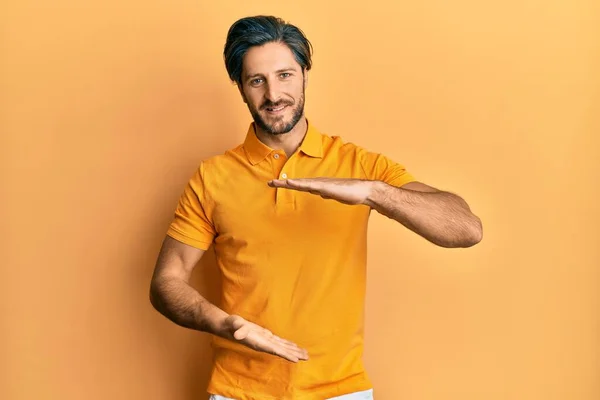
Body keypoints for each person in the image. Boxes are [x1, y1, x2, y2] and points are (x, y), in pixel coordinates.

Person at [149, 15, 483, 400]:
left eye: (285, 75)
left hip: (341, 392)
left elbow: (466, 229)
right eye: (257, 80)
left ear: (305, 73)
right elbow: (166, 282)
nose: (273, 94)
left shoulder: (360, 166)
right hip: (237, 392)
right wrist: (224, 324)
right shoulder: (212, 177)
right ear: (240, 88)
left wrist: (376, 193)